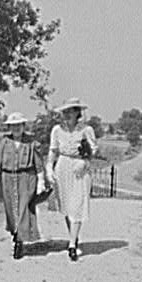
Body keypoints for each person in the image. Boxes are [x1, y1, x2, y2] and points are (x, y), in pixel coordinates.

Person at [0, 112, 46, 259]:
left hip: (26, 178)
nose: (16, 128)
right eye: (13, 126)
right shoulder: (5, 142)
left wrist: (41, 181)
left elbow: (38, 164)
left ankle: (19, 243)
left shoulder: (31, 143)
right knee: (11, 210)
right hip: (8, 178)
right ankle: (16, 232)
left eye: (19, 125)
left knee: (23, 208)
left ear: (23, 126)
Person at [45, 97, 97, 262]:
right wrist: (49, 168)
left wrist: (84, 161)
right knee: (67, 207)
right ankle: (73, 238)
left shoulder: (86, 130)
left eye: (71, 111)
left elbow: (93, 150)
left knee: (77, 205)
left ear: (77, 113)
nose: (67, 115)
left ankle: (72, 245)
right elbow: (53, 151)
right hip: (63, 166)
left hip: (80, 169)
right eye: (65, 112)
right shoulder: (57, 130)